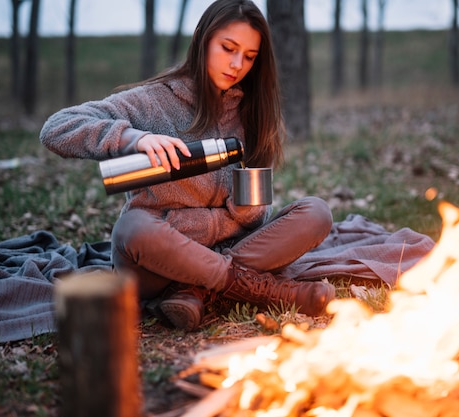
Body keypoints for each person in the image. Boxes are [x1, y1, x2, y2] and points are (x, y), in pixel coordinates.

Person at [40, 0, 336, 331]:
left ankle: (195, 290)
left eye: (250, 56)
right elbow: (57, 128)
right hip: (158, 261)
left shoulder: (253, 112)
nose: (237, 64)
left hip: (229, 248)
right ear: (202, 38)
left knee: (316, 213)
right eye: (228, 48)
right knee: (132, 228)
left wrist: (246, 210)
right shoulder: (154, 101)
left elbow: (256, 217)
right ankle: (270, 291)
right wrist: (132, 138)